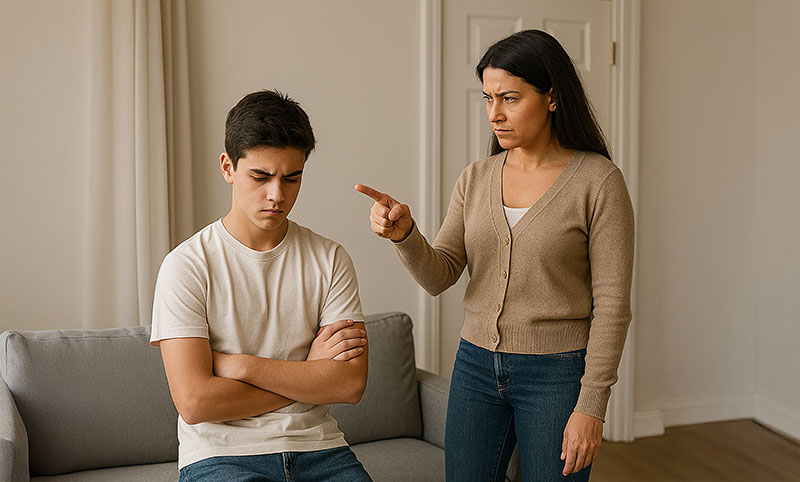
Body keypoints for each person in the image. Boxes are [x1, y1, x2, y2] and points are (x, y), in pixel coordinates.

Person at [356, 30, 634, 481]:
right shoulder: (476, 178)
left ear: (551, 97)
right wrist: (405, 236)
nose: (495, 114)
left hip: (557, 374)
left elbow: (613, 306)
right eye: (488, 99)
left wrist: (591, 406)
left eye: (509, 98)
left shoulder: (598, 182)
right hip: (475, 367)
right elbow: (440, 275)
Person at [151, 89, 373, 481]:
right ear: (227, 167)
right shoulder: (186, 266)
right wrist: (308, 374)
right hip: (221, 457)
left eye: (292, 178)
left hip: (320, 450)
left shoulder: (330, 259)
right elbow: (196, 402)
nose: (277, 195)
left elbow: (350, 384)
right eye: (261, 177)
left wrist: (242, 366)